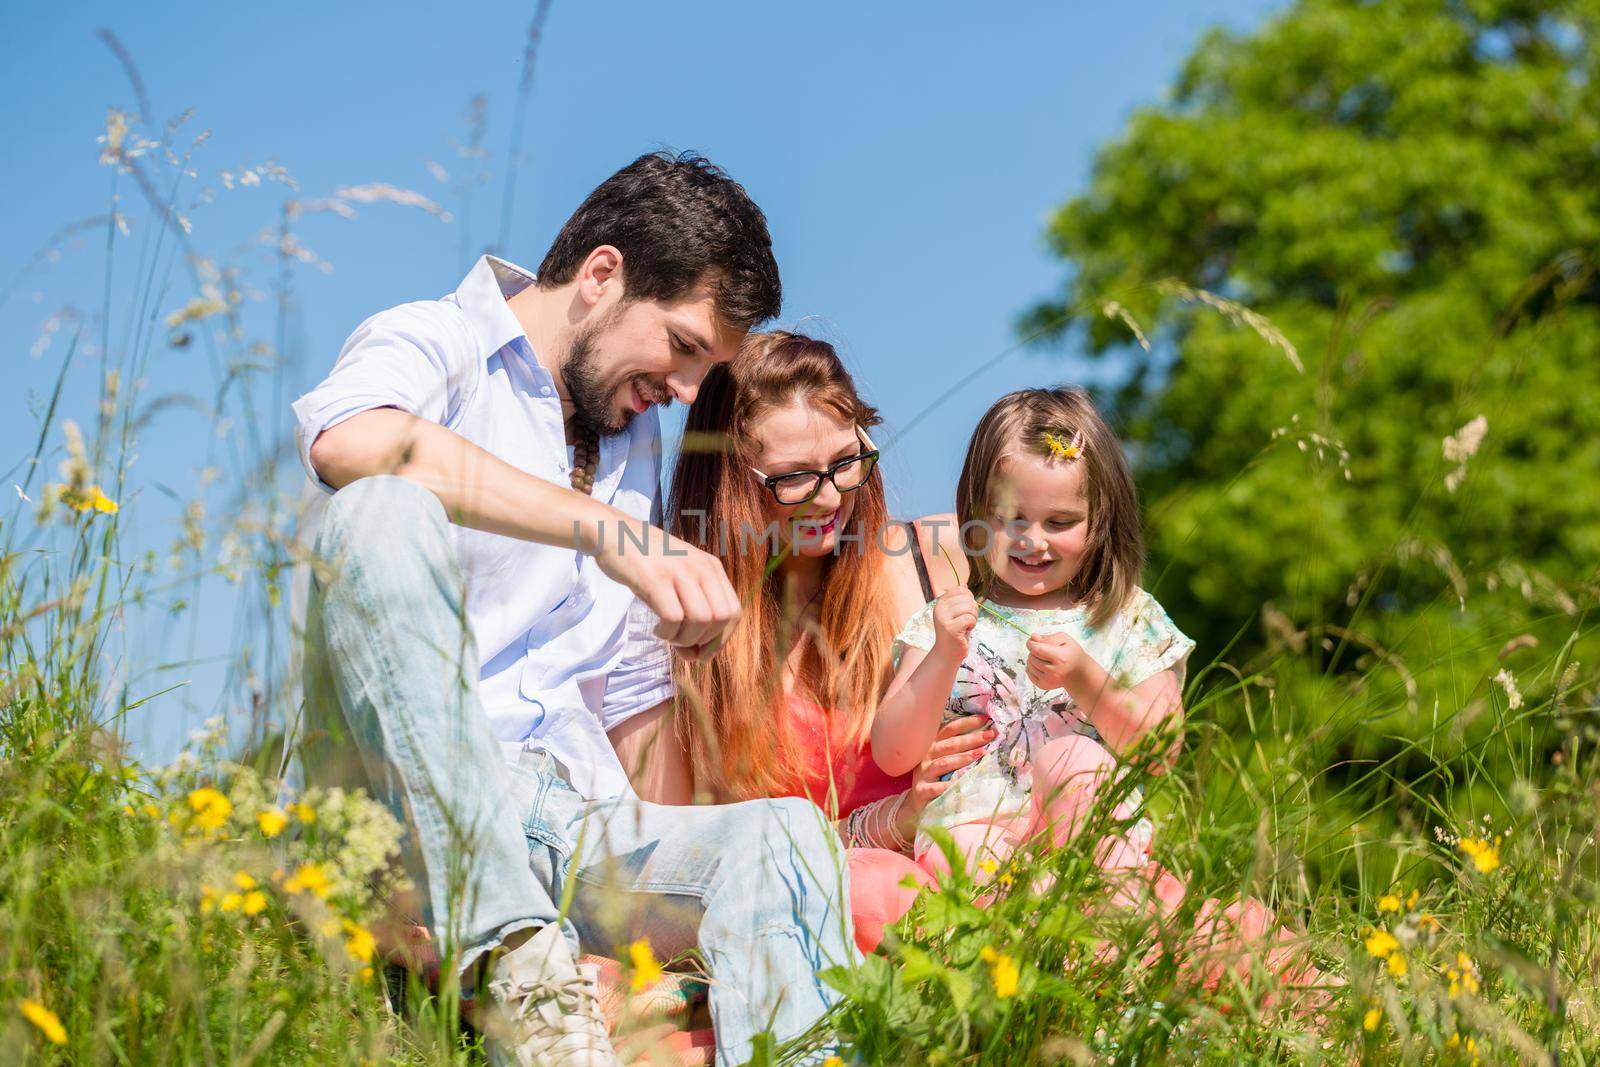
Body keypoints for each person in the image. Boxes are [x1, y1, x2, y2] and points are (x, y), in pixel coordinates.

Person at [292, 153, 856, 1067]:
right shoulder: (438, 338)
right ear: (602, 275)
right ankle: (519, 967)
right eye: (681, 347)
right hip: (413, 803)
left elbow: (629, 708)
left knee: (782, 835)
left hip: (576, 822)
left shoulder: (633, 436)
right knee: (379, 506)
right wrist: (605, 531)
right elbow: (351, 437)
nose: (682, 391)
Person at [612, 330, 992, 952]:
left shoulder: (938, 559)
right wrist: (884, 825)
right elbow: (687, 861)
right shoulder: (680, 628)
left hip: (975, 863)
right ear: (728, 479)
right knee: (878, 894)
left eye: (846, 462)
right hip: (821, 910)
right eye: (791, 479)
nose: (831, 496)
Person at [872, 386, 1191, 880]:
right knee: (965, 847)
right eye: (1011, 519)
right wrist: (941, 657)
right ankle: (1006, 938)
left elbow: (1161, 750)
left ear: (1100, 522)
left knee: (1074, 757)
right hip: (973, 835)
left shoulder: (1124, 616)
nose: (1033, 540)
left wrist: (1085, 677)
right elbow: (893, 755)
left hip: (1092, 852)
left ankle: (1101, 922)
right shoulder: (948, 620)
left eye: (1061, 521)